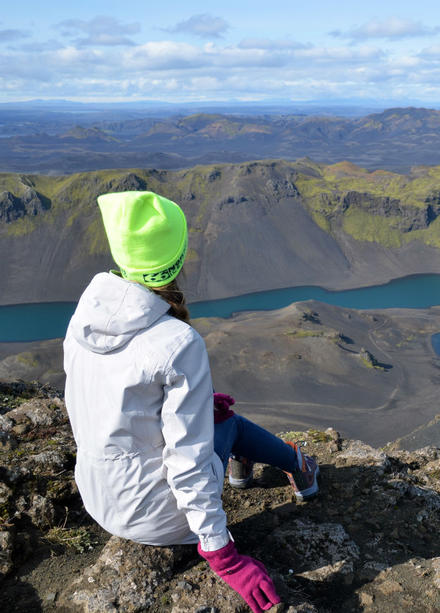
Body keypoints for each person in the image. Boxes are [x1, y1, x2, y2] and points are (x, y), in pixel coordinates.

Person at [63, 191, 320, 613]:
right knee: (229, 424)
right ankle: (299, 466)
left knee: (214, 416)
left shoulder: (85, 318)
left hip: (99, 500)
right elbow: (188, 461)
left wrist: (198, 407)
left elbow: (102, 404)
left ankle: (244, 468)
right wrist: (223, 556)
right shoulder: (177, 342)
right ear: (177, 259)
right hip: (157, 516)